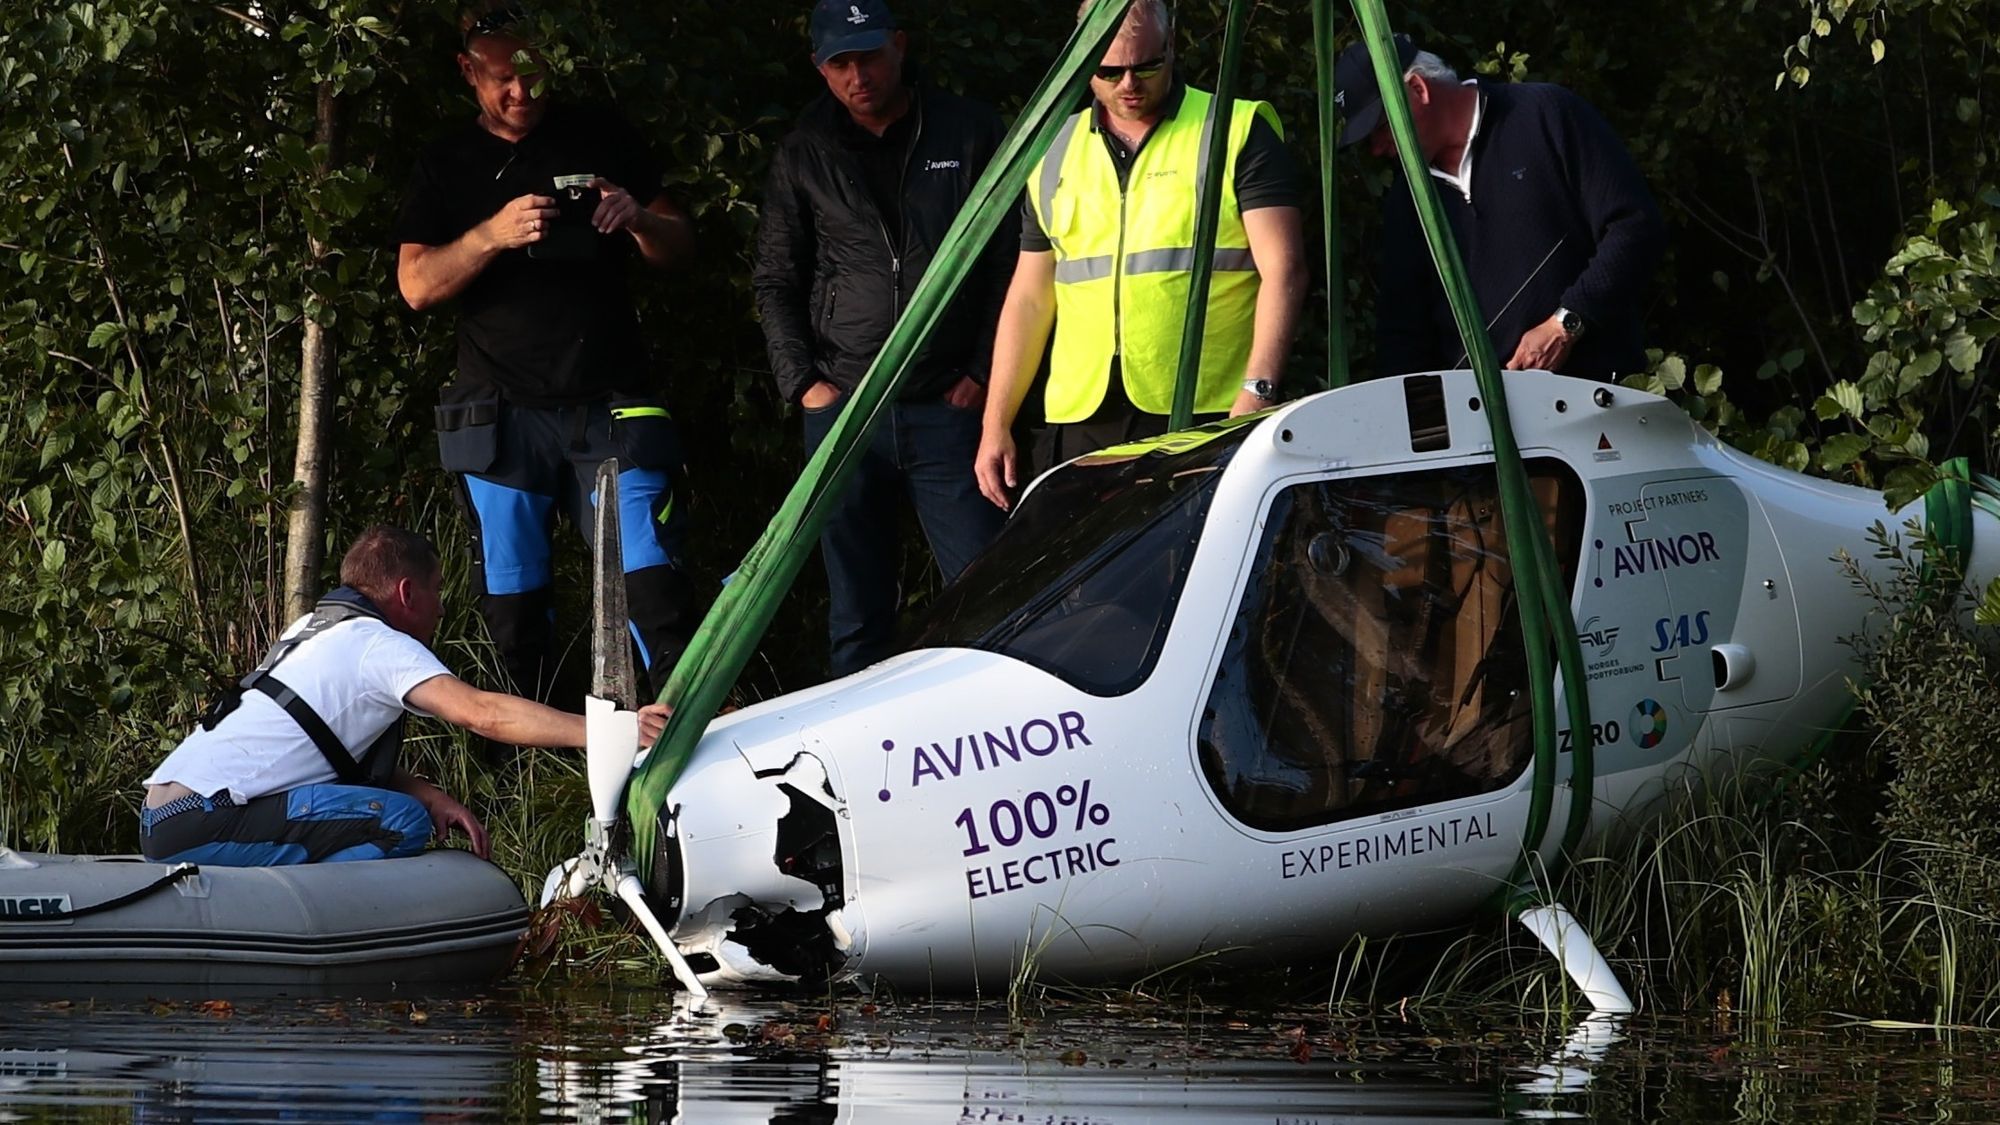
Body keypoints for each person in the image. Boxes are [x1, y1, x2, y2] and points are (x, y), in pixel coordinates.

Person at [394, 3, 699, 705]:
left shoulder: (600, 134)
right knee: (513, 605)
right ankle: (537, 776)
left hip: (612, 399)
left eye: (533, 74)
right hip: (500, 415)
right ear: (468, 71)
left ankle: (685, 747)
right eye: (503, 78)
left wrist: (640, 219)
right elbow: (415, 285)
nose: (521, 93)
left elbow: (680, 246)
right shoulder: (446, 162)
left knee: (653, 586)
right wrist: (489, 237)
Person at [139, 526, 672, 867]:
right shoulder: (378, 643)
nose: (440, 610)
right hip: (207, 820)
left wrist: (431, 794)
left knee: (408, 807)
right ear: (407, 593)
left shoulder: (313, 629)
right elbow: (483, 714)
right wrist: (608, 732)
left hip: (161, 816)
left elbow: (315, 754)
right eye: (437, 591)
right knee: (402, 823)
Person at [753, 0, 1011, 677]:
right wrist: (804, 386)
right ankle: (863, 766)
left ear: (898, 46)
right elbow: (775, 278)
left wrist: (984, 373)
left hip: (948, 405)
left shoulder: (969, 130)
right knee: (857, 610)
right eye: (839, 63)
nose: (856, 75)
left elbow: (1012, 265)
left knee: (988, 590)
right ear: (820, 68)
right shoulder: (805, 152)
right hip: (844, 412)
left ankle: (1000, 744)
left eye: (867, 55)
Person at [974, 0, 1306, 511]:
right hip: (1081, 417)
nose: (1128, 84)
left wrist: (1257, 393)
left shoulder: (1235, 130)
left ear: (1171, 47)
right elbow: (1029, 298)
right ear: (1083, 62)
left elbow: (1284, 270)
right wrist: (996, 422)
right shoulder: (1054, 150)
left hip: (1205, 408)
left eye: (1146, 65)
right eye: (1109, 70)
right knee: (1089, 588)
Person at [1334, 34, 1666, 379]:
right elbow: (1403, 335)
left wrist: (1566, 323)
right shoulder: (1407, 201)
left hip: (1596, 401)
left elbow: (1635, 225)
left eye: (1380, 126)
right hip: (1481, 424)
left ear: (1418, 89)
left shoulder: (1544, 114)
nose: (1376, 149)